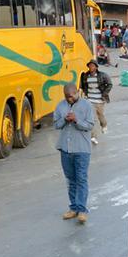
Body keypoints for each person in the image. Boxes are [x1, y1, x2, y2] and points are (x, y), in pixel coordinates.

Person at [54, 83, 96, 224]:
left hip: (82, 149)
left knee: (81, 179)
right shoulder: (60, 106)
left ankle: (82, 210)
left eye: (70, 96)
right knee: (71, 180)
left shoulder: (87, 106)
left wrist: (76, 120)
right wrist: (64, 120)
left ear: (77, 92)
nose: (68, 99)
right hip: (65, 149)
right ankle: (73, 208)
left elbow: (90, 125)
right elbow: (56, 125)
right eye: (66, 97)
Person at [79, 59, 112, 144]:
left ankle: (104, 125)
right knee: (92, 119)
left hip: (100, 100)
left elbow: (109, 84)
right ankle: (93, 136)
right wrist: (83, 93)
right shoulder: (86, 75)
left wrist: (104, 93)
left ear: (96, 67)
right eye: (89, 66)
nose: (91, 67)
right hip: (90, 100)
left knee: (101, 115)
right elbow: (82, 85)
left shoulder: (102, 75)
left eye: (93, 66)